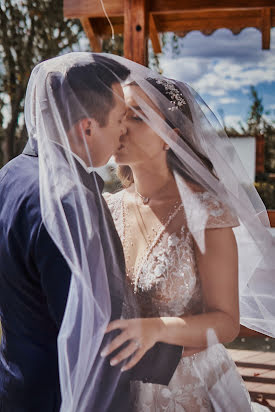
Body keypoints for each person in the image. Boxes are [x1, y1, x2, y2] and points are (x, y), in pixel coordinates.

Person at [0, 52, 183, 412]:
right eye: (118, 119)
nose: (122, 131)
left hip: (16, 386)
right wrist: (186, 349)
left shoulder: (9, 175)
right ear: (86, 128)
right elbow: (97, 331)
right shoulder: (71, 201)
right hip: (64, 395)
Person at [102, 68, 275, 411]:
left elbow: (226, 322)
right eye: (118, 114)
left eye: (135, 116)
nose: (120, 126)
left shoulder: (207, 213)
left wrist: (157, 329)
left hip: (188, 389)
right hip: (117, 387)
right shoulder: (106, 208)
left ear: (171, 137)